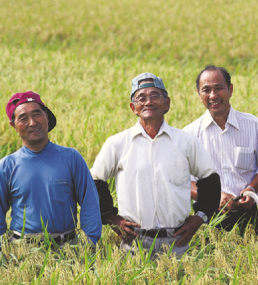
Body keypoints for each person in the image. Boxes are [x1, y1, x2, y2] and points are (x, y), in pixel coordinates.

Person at [91, 72, 221, 257]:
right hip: (134, 244)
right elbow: (95, 180)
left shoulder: (186, 142)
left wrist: (200, 218)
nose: (148, 102)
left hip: (178, 242)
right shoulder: (117, 144)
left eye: (155, 96)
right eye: (141, 98)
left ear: (167, 103)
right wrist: (111, 217)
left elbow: (210, 178)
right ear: (133, 107)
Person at [0, 91, 102, 254]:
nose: (32, 122)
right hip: (23, 251)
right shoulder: (7, 166)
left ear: (46, 116)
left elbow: (90, 203)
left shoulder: (71, 158)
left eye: (37, 114)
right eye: (23, 118)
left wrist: (89, 244)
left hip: (67, 250)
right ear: (14, 126)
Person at [183, 65, 258, 242]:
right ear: (198, 94)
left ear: (230, 89)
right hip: (207, 219)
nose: (213, 95)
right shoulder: (189, 135)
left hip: (249, 215)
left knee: (256, 264)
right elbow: (182, 180)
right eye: (206, 90)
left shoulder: (252, 125)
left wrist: (250, 191)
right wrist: (213, 197)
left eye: (219, 88)